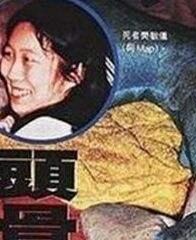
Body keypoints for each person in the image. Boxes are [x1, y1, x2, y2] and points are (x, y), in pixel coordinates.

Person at [0, 0, 113, 141]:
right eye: (8, 54)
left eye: (28, 59)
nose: (12, 73)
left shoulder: (45, 131)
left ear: (75, 71)